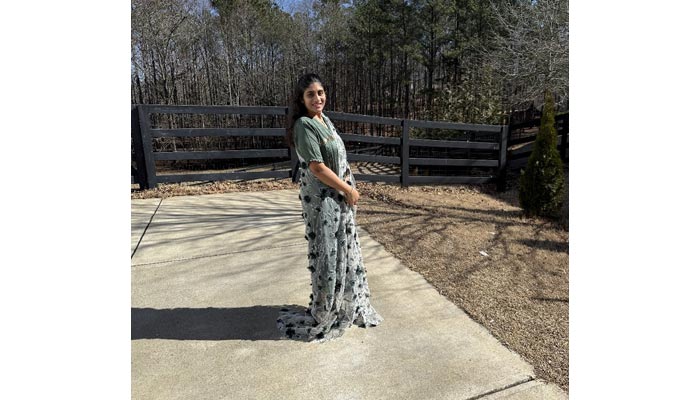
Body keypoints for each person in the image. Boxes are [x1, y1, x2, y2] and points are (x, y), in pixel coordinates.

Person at [277, 73, 384, 343]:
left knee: (342, 251)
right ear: (301, 99)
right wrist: (347, 189)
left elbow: (337, 157)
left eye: (321, 92)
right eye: (311, 94)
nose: (318, 98)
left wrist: (346, 188)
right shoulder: (304, 125)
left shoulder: (324, 120)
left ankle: (345, 301)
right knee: (328, 253)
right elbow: (317, 167)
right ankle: (327, 309)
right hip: (323, 202)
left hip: (338, 198)